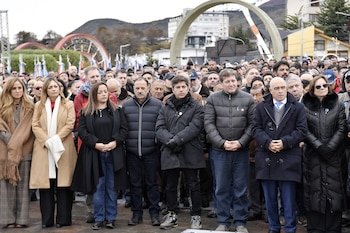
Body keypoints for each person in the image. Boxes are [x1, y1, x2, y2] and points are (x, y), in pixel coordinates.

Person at [252, 77, 307, 233]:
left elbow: (301, 130)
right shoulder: (261, 107)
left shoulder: (297, 107)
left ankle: (290, 229)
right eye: (276, 88)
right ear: (270, 90)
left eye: (283, 87)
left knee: (289, 200)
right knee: (270, 200)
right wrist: (268, 142)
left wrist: (284, 142)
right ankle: (273, 228)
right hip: (267, 157)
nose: (281, 91)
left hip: (289, 158)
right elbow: (256, 129)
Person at [71, 82, 128, 230]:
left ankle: (111, 218)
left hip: (113, 153)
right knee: (97, 187)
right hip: (94, 154)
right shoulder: (86, 112)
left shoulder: (117, 110)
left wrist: (115, 142)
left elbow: (124, 129)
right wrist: (96, 144)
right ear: (94, 95)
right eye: (100, 92)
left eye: (105, 92)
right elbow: (82, 131)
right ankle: (98, 218)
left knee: (111, 187)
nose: (104, 94)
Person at [204, 68, 255, 232]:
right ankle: (223, 221)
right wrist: (221, 143)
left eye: (233, 81)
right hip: (220, 151)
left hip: (241, 150)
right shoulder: (213, 99)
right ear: (221, 83)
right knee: (221, 187)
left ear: (238, 82)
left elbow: (252, 125)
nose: (231, 84)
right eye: (227, 81)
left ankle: (240, 222)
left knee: (241, 187)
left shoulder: (248, 99)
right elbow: (209, 124)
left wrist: (241, 142)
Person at [156, 75, 206, 230]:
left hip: (190, 150)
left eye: (183, 87)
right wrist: (170, 141)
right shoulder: (166, 106)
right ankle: (171, 214)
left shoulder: (196, 106)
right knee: (170, 185)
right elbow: (159, 128)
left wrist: (176, 140)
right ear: (172, 89)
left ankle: (196, 216)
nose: (181, 90)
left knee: (193, 184)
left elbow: (195, 127)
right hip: (170, 151)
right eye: (177, 87)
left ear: (188, 88)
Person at [30, 77, 77, 228]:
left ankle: (63, 219)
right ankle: (47, 220)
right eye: (50, 87)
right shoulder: (39, 105)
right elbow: (35, 125)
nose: (53, 89)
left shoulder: (68, 104)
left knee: (63, 185)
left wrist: (56, 140)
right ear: (45, 90)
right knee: (46, 185)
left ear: (60, 88)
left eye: (56, 87)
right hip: (44, 148)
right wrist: (47, 140)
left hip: (63, 147)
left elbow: (70, 124)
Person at [302, 75, 347, 233]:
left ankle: (334, 228)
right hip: (313, 156)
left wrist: (329, 147)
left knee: (334, 193)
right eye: (318, 87)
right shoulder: (304, 106)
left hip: (334, 157)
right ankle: (315, 228)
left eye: (324, 86)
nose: (322, 89)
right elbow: (304, 130)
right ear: (313, 90)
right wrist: (319, 147)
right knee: (314, 193)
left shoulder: (338, 105)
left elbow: (342, 128)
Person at [123, 78, 163, 226]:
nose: (140, 90)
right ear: (133, 89)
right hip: (132, 151)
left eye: (142, 88)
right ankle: (136, 214)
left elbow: (161, 126)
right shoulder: (127, 106)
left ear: (148, 89)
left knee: (152, 183)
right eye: (137, 88)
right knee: (134, 184)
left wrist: (156, 142)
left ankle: (154, 214)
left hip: (151, 150)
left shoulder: (158, 105)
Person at [0, 77, 34, 228]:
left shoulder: (30, 106)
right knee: (6, 188)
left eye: (20, 88)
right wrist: (11, 142)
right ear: (9, 90)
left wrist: (16, 144)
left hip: (25, 150)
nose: (17, 91)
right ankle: (7, 219)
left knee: (23, 188)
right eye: (14, 88)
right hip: (5, 152)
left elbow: (29, 130)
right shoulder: (1, 106)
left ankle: (22, 220)